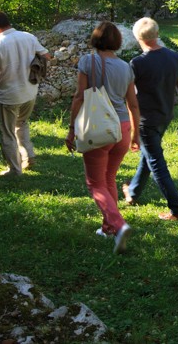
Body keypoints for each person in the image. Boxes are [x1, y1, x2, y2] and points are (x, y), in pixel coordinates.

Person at [66, 21, 140, 253]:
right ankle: (109, 228)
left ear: (96, 39)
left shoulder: (88, 61)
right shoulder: (126, 67)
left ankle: (118, 225)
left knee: (95, 183)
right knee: (109, 177)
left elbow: (79, 96)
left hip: (99, 128)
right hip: (123, 128)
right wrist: (136, 133)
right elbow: (133, 104)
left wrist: (71, 128)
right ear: (117, 41)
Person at [123, 17, 178, 221]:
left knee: (156, 163)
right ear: (158, 33)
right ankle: (133, 193)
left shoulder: (136, 63)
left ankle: (176, 210)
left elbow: (131, 100)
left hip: (146, 121)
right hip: (165, 116)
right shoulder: (173, 57)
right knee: (149, 155)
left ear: (137, 38)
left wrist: (134, 132)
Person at [0, 10, 51, 176]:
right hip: (30, 91)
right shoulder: (28, 36)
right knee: (22, 123)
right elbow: (47, 55)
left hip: (9, 95)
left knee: (7, 132)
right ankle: (29, 155)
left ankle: (14, 169)